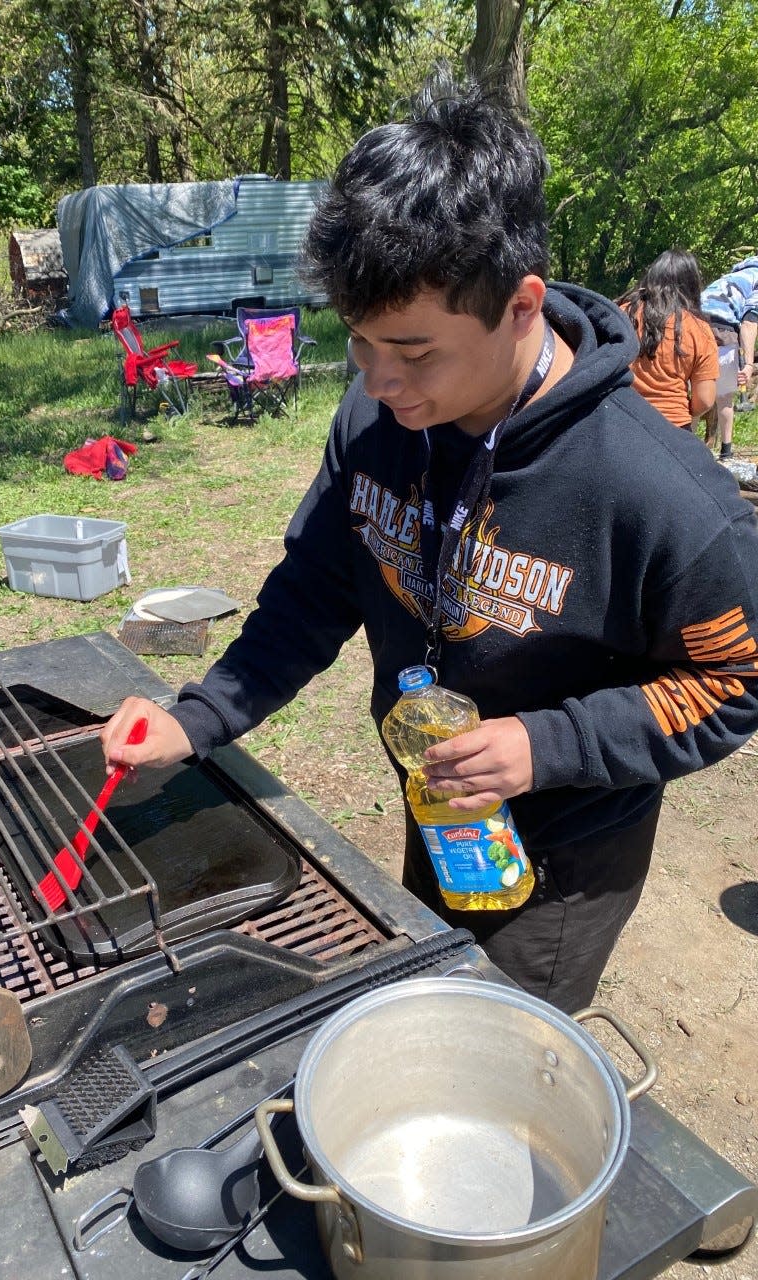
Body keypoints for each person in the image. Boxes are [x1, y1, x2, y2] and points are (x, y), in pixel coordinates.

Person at [100, 66, 758, 1015]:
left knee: (495, 1038)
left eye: (413, 352)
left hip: (562, 843)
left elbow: (736, 685)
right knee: (432, 985)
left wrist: (546, 745)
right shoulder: (374, 422)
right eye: (360, 343)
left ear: (522, 306)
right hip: (438, 793)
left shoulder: (662, 494)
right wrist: (194, 720)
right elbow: (316, 589)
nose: (379, 381)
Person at [619, 250, 718, 430]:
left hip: (621, 423)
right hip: (674, 428)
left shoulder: (621, 315)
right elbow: (704, 400)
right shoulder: (699, 329)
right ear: (692, 285)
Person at [699, 255, 758, 457]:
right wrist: (748, 365)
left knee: (695, 396)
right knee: (724, 397)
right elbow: (749, 325)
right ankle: (726, 454)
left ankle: (683, 451)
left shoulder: (729, 277)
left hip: (692, 327)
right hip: (722, 331)